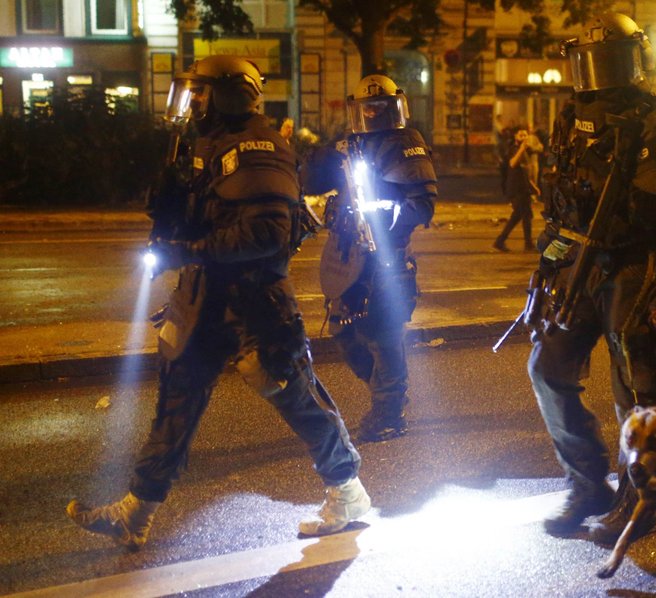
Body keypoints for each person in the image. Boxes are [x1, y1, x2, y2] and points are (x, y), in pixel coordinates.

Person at [66, 56, 369, 549]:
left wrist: (187, 251)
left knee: (294, 396)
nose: (192, 105)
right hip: (205, 296)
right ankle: (135, 512)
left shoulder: (259, 148)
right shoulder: (211, 144)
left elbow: (268, 234)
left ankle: (348, 492)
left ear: (229, 95)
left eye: (200, 93)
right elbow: (206, 213)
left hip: (256, 302)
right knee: (178, 397)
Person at [527, 13, 656, 545]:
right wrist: (551, 259)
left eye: (608, 59)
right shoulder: (572, 117)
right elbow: (563, 207)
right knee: (547, 367)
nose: (598, 73)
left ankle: (640, 500)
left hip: (636, 266)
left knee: (635, 389)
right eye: (588, 60)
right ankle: (587, 483)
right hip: (579, 266)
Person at [312, 74, 437, 443]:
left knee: (382, 336)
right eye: (366, 107)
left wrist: (388, 217)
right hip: (348, 253)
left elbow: (423, 204)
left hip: (387, 257)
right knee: (343, 332)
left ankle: (389, 411)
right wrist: (323, 156)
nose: (372, 113)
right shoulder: (352, 146)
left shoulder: (406, 143)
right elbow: (313, 183)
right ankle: (387, 391)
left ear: (392, 107)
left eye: (379, 106)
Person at [493, 128, 541, 252]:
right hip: (515, 189)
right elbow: (513, 163)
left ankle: (526, 243)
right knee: (520, 215)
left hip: (524, 188)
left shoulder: (525, 152)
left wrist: (533, 187)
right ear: (516, 136)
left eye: (525, 135)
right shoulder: (513, 149)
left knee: (525, 216)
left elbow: (525, 171)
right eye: (521, 135)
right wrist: (521, 148)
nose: (524, 137)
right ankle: (501, 241)